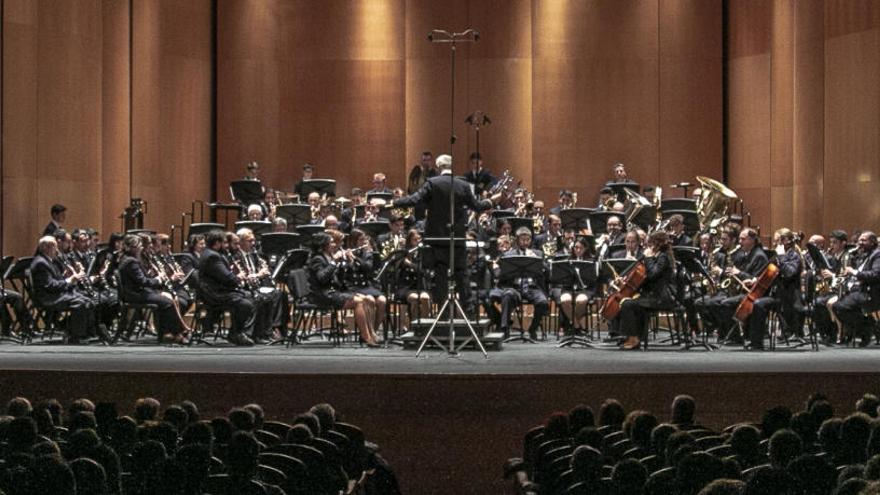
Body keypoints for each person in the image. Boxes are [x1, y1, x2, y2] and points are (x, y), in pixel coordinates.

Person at [390, 154, 499, 308]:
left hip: (437, 239)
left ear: (439, 167)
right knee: (461, 274)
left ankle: (443, 312)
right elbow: (477, 206)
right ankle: (467, 310)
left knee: (441, 276)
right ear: (451, 166)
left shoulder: (432, 183)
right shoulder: (463, 185)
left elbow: (414, 200)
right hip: (457, 238)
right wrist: (490, 201)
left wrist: (393, 203)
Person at [30, 236, 108, 344]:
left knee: (88, 299)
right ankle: (76, 336)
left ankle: (86, 332)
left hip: (56, 293)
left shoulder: (49, 261)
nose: (57, 250)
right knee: (80, 302)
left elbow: (56, 281)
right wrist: (69, 280)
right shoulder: (41, 263)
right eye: (54, 247)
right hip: (48, 297)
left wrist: (66, 277)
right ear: (46, 248)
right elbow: (49, 285)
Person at [306, 233, 380, 346]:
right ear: (324, 245)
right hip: (321, 295)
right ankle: (366, 337)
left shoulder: (330, 256)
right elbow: (322, 278)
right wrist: (334, 263)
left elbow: (338, 279)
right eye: (331, 242)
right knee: (359, 302)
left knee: (365, 299)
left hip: (332, 291)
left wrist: (345, 264)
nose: (334, 244)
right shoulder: (317, 259)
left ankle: (370, 333)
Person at [118, 235, 189, 344]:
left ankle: (171, 333)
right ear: (133, 247)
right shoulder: (131, 262)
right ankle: (176, 332)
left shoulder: (128, 259)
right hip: (135, 294)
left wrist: (153, 278)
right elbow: (143, 281)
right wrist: (158, 280)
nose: (141, 248)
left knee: (166, 299)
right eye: (139, 245)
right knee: (167, 302)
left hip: (137, 292)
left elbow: (143, 278)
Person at [743, 228, 803, 350]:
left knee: (759, 304)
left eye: (777, 241)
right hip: (777, 295)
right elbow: (767, 272)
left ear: (785, 241)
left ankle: (757, 342)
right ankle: (752, 339)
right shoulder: (776, 256)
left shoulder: (794, 256)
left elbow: (790, 273)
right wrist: (755, 280)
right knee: (752, 300)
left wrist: (780, 257)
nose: (774, 244)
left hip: (789, 298)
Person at [616, 231, 676, 350]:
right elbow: (646, 277)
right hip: (652, 296)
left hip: (662, 298)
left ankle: (633, 338)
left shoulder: (663, 257)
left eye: (650, 244)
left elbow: (653, 274)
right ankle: (633, 336)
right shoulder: (657, 256)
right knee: (629, 301)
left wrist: (648, 258)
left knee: (628, 304)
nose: (648, 247)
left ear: (656, 244)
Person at [197, 230, 256, 346]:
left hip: (217, 290)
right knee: (246, 304)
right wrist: (238, 278)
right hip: (214, 294)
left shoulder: (210, 253)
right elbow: (227, 278)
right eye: (224, 243)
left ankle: (240, 332)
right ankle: (235, 333)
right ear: (217, 243)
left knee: (249, 296)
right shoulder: (212, 256)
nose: (227, 245)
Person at [491, 227, 549, 340]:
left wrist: (536, 260)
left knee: (543, 302)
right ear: (517, 240)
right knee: (507, 295)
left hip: (532, 287)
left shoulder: (538, 253)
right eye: (522, 240)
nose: (525, 242)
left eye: (527, 239)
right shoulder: (509, 255)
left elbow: (547, 270)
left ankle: (532, 329)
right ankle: (504, 328)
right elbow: (502, 274)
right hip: (515, 287)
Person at [832, 231, 880, 347]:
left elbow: (875, 274)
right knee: (836, 306)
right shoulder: (864, 254)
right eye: (859, 240)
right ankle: (866, 327)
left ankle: (866, 328)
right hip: (860, 289)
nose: (860, 243)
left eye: (864, 240)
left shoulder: (878, 255)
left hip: (872, 292)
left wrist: (854, 272)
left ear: (873, 242)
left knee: (840, 307)